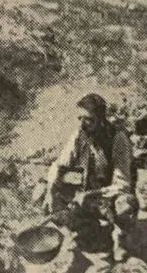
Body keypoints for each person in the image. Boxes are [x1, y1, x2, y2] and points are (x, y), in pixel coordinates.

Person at [42, 93, 138, 264]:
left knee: (127, 204)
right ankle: (86, 232)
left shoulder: (117, 138)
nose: (82, 124)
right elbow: (59, 165)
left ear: (101, 119)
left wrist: (91, 194)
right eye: (80, 118)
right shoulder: (80, 135)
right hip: (87, 194)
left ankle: (120, 240)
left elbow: (122, 184)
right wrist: (50, 191)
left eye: (88, 119)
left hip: (110, 196)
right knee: (43, 192)